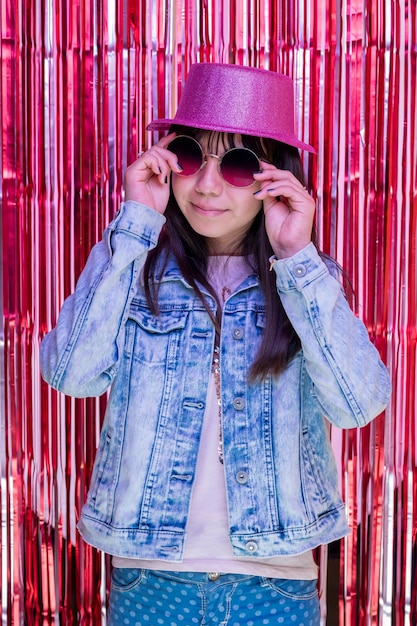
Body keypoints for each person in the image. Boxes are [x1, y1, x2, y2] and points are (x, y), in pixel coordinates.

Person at [40, 63, 391, 625]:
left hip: (275, 584)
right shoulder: (136, 268)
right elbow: (71, 374)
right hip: (150, 578)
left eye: (235, 164)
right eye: (187, 156)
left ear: (273, 177)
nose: (204, 184)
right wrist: (135, 222)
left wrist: (297, 259)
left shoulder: (304, 280)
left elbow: (358, 405)